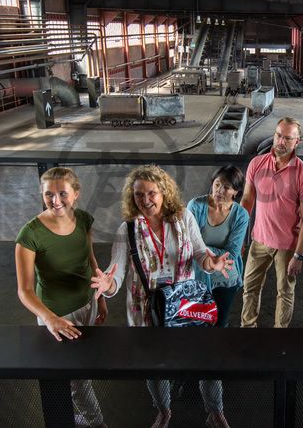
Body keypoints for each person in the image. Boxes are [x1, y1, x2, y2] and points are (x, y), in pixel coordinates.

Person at [90, 165, 232, 428]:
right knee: (155, 367)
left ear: (164, 192)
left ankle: (215, 410)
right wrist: (107, 285)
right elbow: (117, 276)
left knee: (206, 359)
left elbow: (201, 255)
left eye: (152, 193)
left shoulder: (184, 217)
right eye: (139, 195)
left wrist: (212, 264)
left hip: (184, 305)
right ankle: (164, 410)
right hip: (147, 310)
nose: (145, 200)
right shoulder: (127, 230)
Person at [15, 167, 107, 428]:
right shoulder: (29, 235)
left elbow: (89, 258)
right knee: (75, 377)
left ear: (76, 194)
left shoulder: (85, 220)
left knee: (82, 366)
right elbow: (25, 291)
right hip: (58, 315)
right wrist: (49, 318)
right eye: (49, 195)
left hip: (87, 304)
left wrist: (100, 297)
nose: (56, 201)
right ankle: (97, 423)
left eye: (62, 193)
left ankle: (72, 417)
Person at [186, 165, 250, 428]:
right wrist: (210, 255)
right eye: (216, 184)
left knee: (219, 326)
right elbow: (188, 244)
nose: (219, 190)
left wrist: (205, 253)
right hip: (196, 278)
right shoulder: (196, 205)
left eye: (226, 187)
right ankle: (191, 372)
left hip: (227, 279)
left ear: (236, 192)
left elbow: (233, 252)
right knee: (193, 324)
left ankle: (213, 392)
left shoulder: (241, 214)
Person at [240, 117, 303, 328]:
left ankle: (280, 336)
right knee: (250, 288)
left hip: (287, 247)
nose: (281, 141)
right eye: (278, 135)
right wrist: (238, 237)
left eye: (287, 138)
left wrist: (299, 255)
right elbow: (246, 201)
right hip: (259, 241)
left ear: (296, 142)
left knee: (285, 292)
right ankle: (248, 328)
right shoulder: (256, 163)